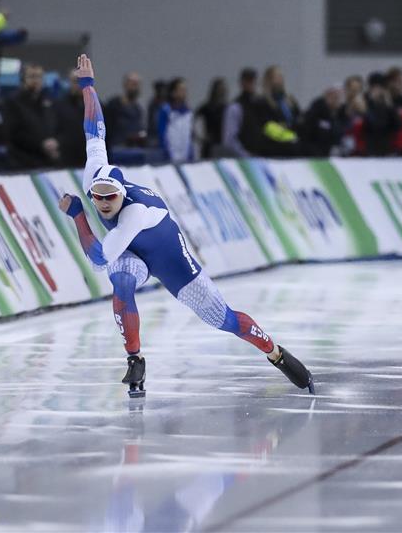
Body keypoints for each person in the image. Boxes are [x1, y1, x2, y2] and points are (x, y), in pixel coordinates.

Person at [58, 55, 313, 397]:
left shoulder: (133, 213)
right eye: (97, 198)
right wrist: (88, 86)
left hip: (170, 259)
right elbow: (95, 130)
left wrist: (78, 214)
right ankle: (135, 359)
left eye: (111, 198)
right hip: (132, 251)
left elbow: (98, 258)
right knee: (122, 282)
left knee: (224, 320)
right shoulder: (94, 174)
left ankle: (276, 353)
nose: (103, 203)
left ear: (122, 194)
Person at [0, 63, 59, 169]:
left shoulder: (49, 101)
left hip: (47, 160)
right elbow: (13, 133)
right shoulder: (12, 102)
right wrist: (41, 145)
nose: (36, 80)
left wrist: (56, 142)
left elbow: (58, 126)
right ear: (23, 80)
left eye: (39, 77)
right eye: (32, 76)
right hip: (22, 160)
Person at [218, 67, 257, 158]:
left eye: (253, 81)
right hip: (243, 158)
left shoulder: (259, 105)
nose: (251, 84)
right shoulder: (235, 107)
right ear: (242, 83)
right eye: (248, 81)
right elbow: (229, 139)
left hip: (259, 157)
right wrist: (245, 155)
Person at [103, 72, 146, 152]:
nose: (135, 88)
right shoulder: (114, 105)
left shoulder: (138, 109)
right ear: (125, 85)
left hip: (134, 148)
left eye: (137, 85)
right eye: (133, 84)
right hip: (116, 147)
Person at [300, 85, 345, 157]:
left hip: (327, 152)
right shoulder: (316, 111)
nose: (338, 101)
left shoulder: (338, 114)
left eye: (338, 98)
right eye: (335, 98)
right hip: (314, 153)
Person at [157, 77, 193, 163]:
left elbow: (188, 135)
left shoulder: (188, 112)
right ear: (173, 93)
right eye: (181, 90)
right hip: (170, 155)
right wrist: (166, 152)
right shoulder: (166, 110)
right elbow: (162, 134)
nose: (184, 92)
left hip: (185, 155)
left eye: (185, 90)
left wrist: (191, 153)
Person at [53, 73, 86, 167]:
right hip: (67, 158)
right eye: (76, 81)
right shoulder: (59, 105)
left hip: (88, 156)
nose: (79, 85)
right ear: (69, 83)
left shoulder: (95, 105)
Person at [194, 77, 228, 159]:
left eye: (223, 89)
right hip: (209, 145)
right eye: (219, 89)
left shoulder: (226, 107)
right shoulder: (207, 107)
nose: (221, 91)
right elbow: (194, 120)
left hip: (222, 143)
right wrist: (200, 137)